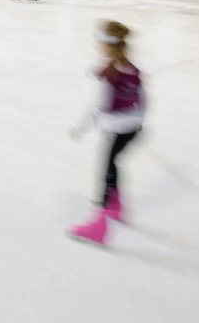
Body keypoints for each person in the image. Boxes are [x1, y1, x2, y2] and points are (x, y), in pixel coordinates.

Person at [67, 21, 146, 247]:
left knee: (106, 172)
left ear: (105, 45)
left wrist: (81, 126)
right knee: (114, 164)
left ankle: (99, 225)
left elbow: (96, 103)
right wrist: (137, 119)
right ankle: (117, 208)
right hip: (134, 128)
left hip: (116, 128)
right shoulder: (132, 68)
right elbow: (144, 99)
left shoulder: (106, 73)